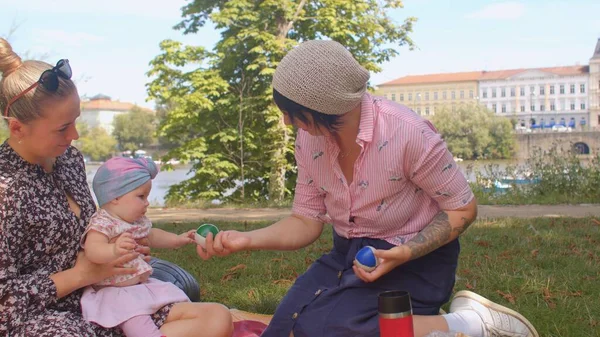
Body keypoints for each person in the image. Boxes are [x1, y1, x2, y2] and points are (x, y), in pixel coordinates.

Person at [197, 40, 539, 337]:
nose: (287, 122)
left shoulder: (409, 135)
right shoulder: (309, 139)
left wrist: (404, 253)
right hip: (349, 254)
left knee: (336, 331)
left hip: (415, 259)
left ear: (326, 108)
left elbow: (462, 209)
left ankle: (470, 322)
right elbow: (306, 221)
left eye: (293, 113)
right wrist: (247, 239)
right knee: (288, 326)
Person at [0, 38, 233, 337]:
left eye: (75, 121)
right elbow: (5, 303)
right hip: (46, 314)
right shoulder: (6, 189)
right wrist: (81, 274)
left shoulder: (68, 159)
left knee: (216, 318)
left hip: (106, 294)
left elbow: (99, 223)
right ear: (18, 127)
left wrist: (123, 250)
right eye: (62, 128)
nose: (75, 135)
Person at [80, 156, 209, 337]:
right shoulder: (103, 222)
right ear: (115, 196)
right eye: (141, 196)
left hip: (140, 287)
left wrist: (178, 239)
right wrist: (113, 250)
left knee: (174, 299)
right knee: (135, 320)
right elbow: (92, 249)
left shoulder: (136, 222)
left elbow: (153, 235)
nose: (147, 202)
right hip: (114, 293)